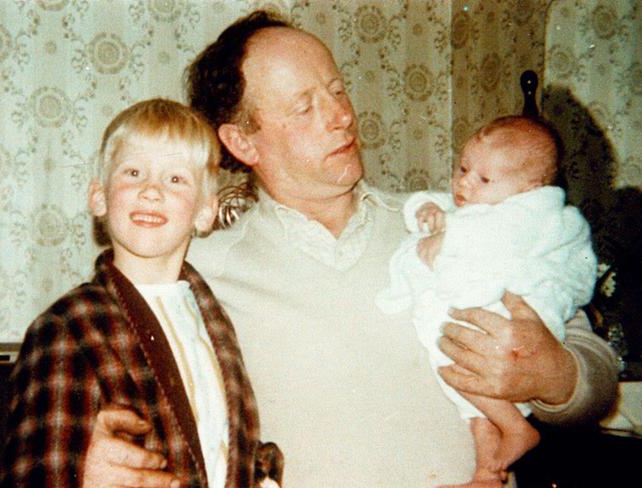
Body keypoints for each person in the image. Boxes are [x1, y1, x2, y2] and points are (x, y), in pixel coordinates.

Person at [78, 11, 618, 487]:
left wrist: (555, 375)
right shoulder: (200, 272)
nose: (341, 115)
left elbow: (591, 359)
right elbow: (126, 399)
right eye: (304, 106)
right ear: (243, 142)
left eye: (337, 90)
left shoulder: (451, 222)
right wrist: (97, 459)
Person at [0, 99, 276, 488]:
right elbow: (35, 472)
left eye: (176, 179)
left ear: (205, 211)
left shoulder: (215, 319)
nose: (151, 190)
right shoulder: (66, 328)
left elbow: (229, 445)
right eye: (133, 172)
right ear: (99, 197)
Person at [376, 115, 597, 486]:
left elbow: (501, 236)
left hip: (512, 316)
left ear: (530, 188)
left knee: (460, 362)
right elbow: (442, 205)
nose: (464, 182)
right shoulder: (478, 204)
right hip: (480, 324)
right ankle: (487, 470)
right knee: (467, 385)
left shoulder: (535, 213)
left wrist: (449, 236)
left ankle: (513, 426)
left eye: (483, 179)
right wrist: (427, 211)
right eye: (463, 168)